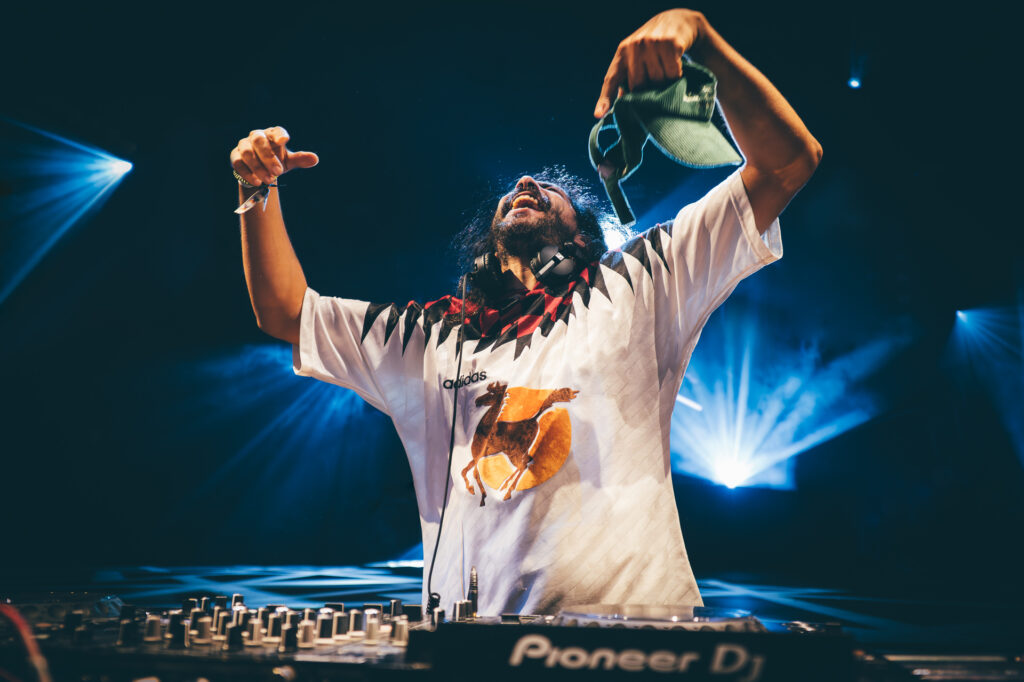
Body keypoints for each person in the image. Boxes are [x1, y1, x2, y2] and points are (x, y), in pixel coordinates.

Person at [231, 9, 821, 616]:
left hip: (637, 634)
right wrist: (257, 189)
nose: (524, 182)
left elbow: (789, 162)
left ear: (580, 240)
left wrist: (700, 35)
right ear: (488, 247)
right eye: (515, 191)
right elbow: (284, 312)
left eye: (550, 190)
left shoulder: (641, 280)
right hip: (472, 643)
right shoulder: (430, 335)